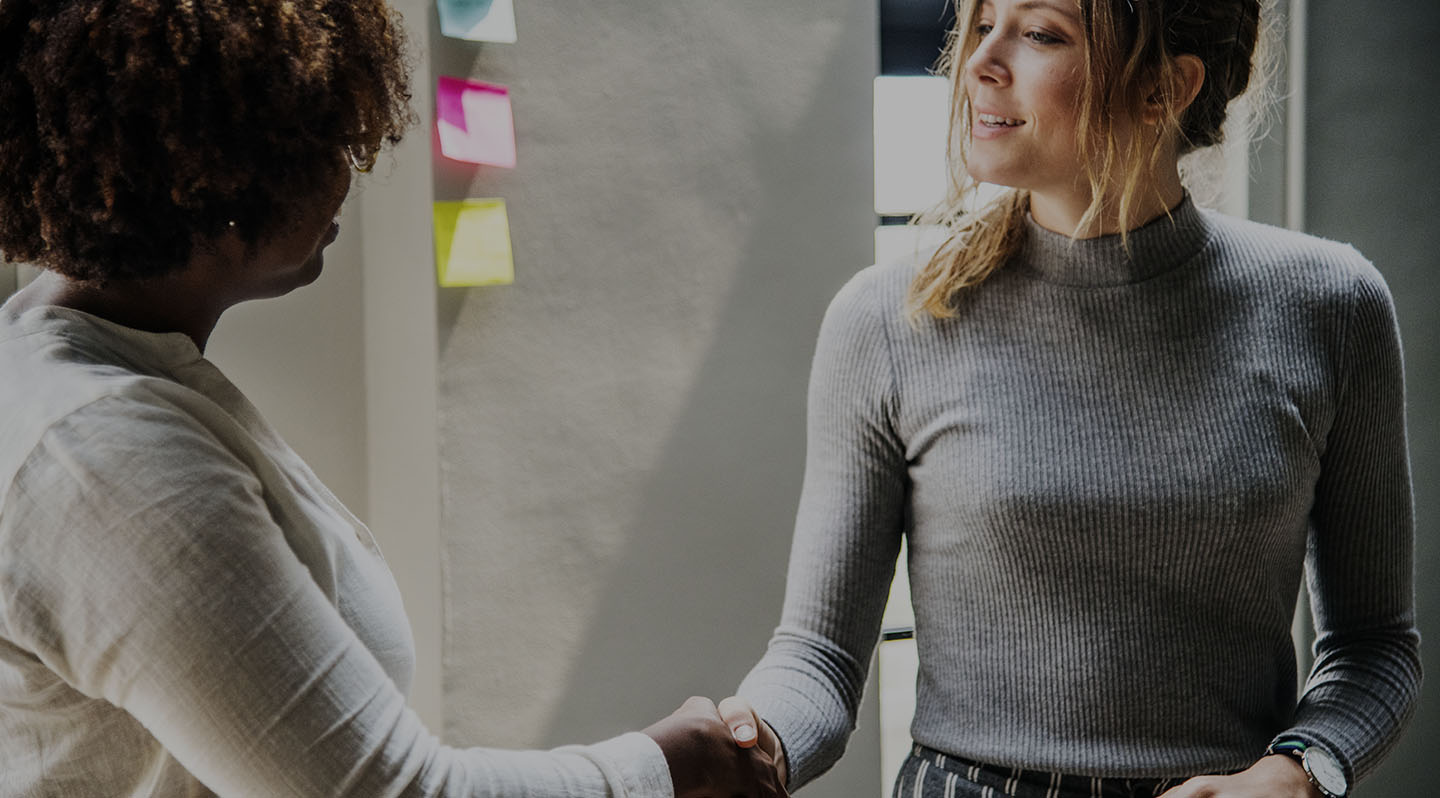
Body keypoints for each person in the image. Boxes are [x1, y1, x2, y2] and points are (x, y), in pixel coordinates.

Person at [0, 2, 784, 796]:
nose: (352, 172)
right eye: (324, 143)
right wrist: (671, 763)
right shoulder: (104, 461)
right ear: (216, 176)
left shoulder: (69, 368)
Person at [714, 1, 1421, 797]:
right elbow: (819, 658)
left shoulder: (1331, 305)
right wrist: (748, 745)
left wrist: (1299, 771)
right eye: (983, 23)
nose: (980, 61)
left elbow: (1374, 648)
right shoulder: (885, 319)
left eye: (1041, 33)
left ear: (1165, 87)